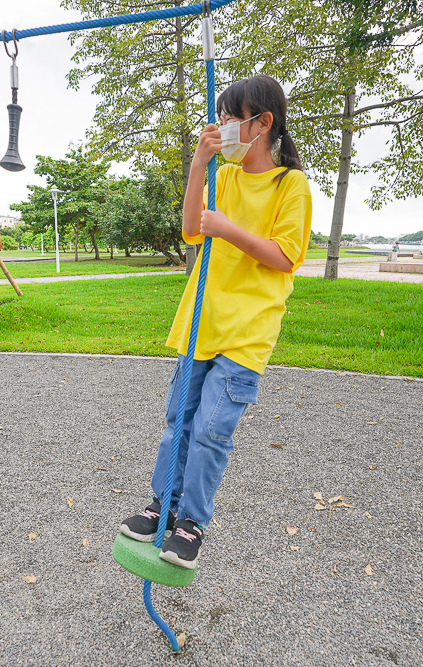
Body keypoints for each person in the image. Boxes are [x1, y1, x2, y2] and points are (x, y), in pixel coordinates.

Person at [119, 75, 311, 569]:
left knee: (210, 431)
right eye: (222, 119)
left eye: (230, 118)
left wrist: (229, 228)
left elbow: (285, 256)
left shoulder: (290, 184)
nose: (222, 126)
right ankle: (162, 504)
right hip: (201, 322)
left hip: (247, 332)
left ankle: (191, 523)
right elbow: (190, 230)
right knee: (176, 423)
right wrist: (199, 167)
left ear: (262, 123)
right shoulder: (222, 178)